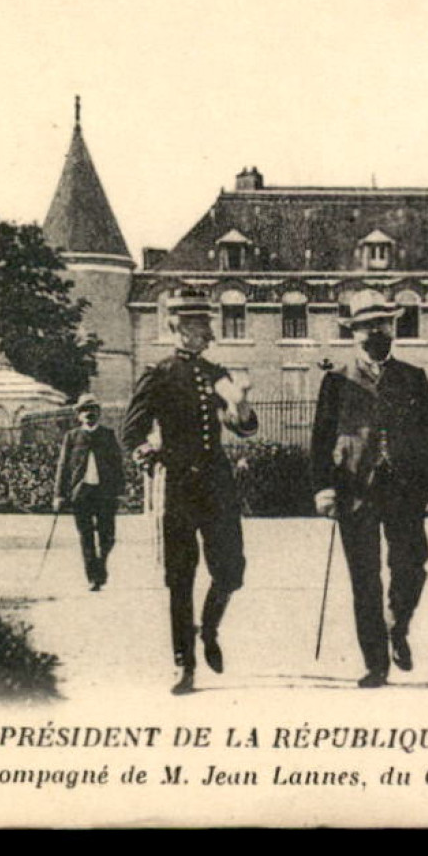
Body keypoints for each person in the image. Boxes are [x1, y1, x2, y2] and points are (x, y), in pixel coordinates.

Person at [121, 295, 257, 695]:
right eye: (202, 329)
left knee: (231, 571)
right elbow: (132, 429)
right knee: (180, 578)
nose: (211, 336)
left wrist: (241, 406)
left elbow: (244, 428)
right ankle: (184, 663)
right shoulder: (158, 373)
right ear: (179, 329)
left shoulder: (218, 374)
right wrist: (143, 450)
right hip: (179, 485)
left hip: (217, 484)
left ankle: (209, 629)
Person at [310, 289, 428, 689]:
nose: (377, 332)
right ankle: (375, 664)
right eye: (368, 326)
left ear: (393, 328)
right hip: (355, 489)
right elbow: (321, 438)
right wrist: (323, 489)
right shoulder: (336, 381)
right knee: (364, 578)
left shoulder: (413, 378)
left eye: (383, 324)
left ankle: (397, 624)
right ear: (354, 332)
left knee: (412, 565)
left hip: (406, 488)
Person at [53, 394, 125, 592]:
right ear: (78, 415)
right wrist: (59, 494)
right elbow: (63, 467)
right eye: (85, 410)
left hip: (105, 493)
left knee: (107, 536)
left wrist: (119, 490)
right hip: (81, 494)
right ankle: (94, 577)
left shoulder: (108, 435)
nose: (89, 414)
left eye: (93, 410)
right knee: (86, 536)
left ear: (98, 413)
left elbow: (117, 464)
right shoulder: (72, 437)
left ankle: (101, 564)